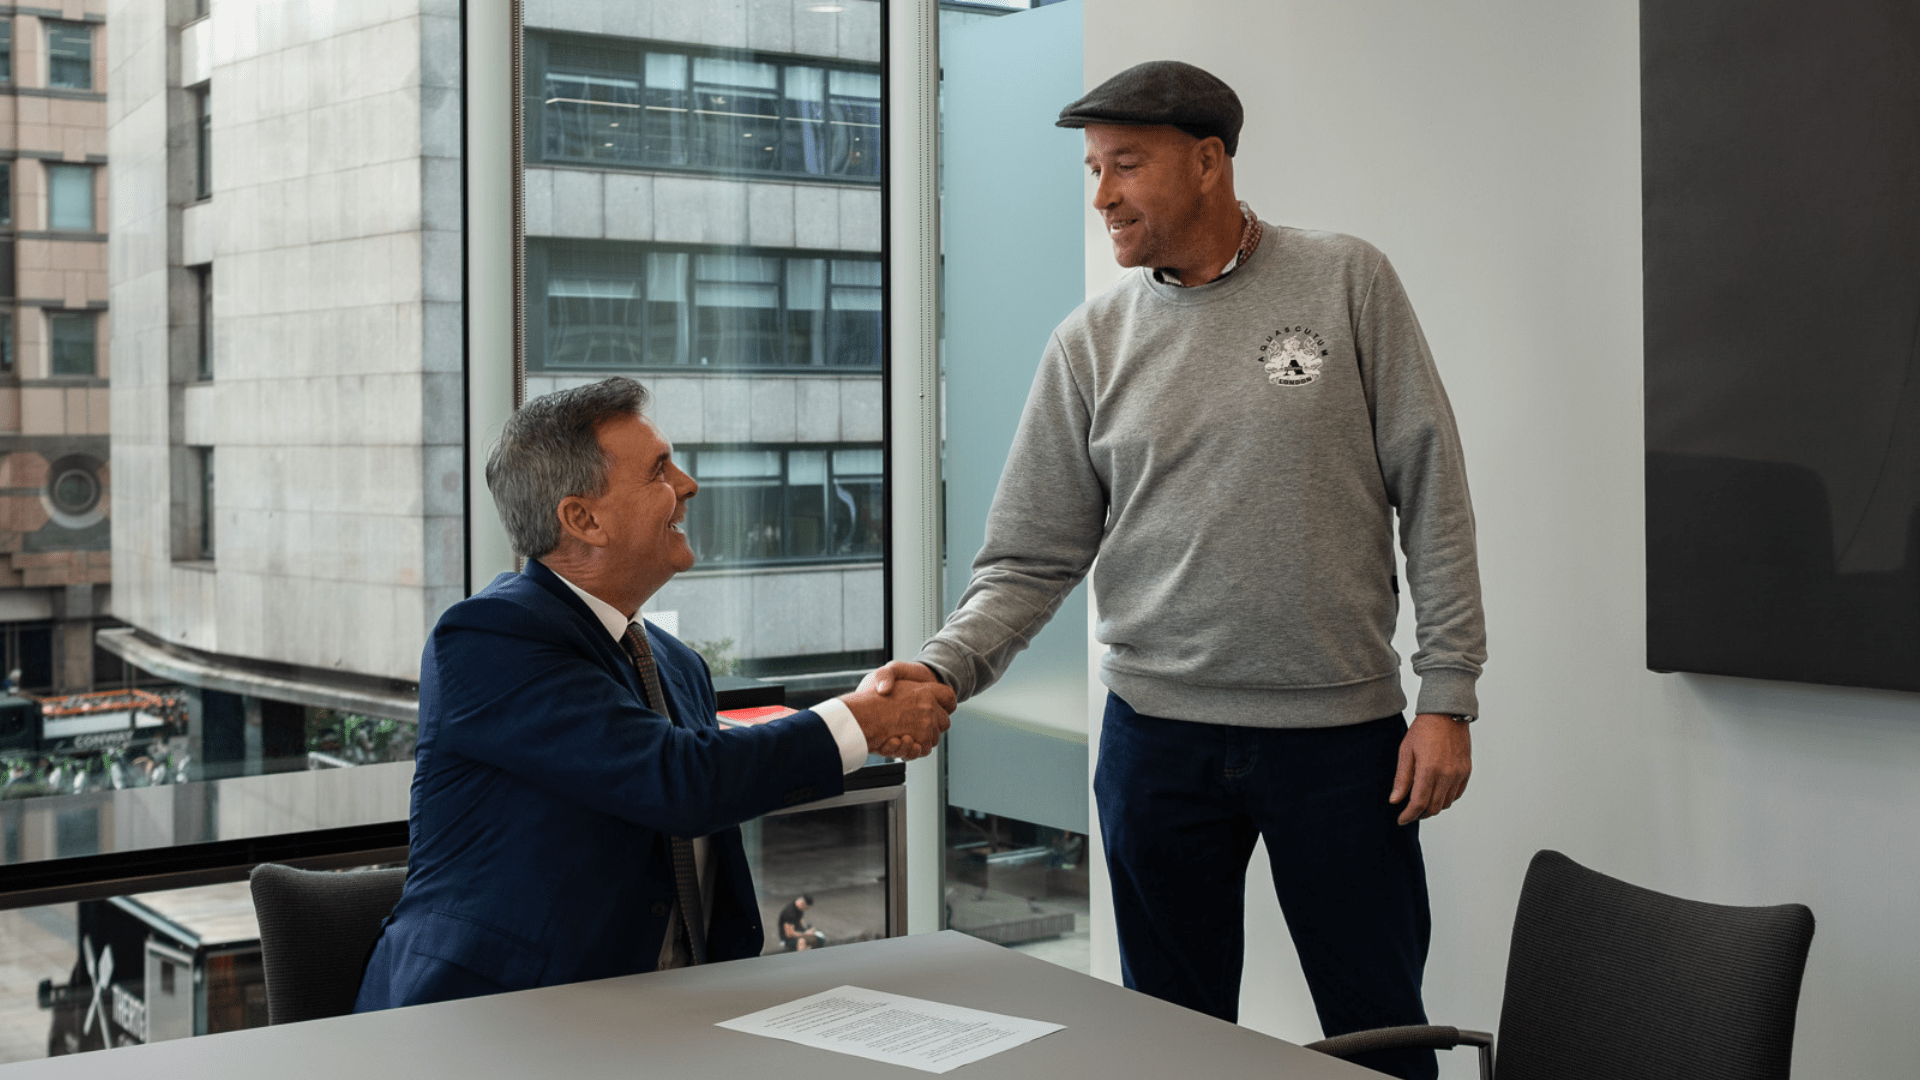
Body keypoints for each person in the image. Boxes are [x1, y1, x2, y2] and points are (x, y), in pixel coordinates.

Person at [870, 61, 1485, 1080]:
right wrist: (944, 668)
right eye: (1092, 169)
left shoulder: (1346, 281)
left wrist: (1448, 692)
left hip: (1338, 742)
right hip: (1158, 748)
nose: (1103, 193)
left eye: (1126, 165)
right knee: (1170, 1043)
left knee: (1378, 1030)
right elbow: (1031, 554)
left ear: (1207, 164)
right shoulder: (1090, 343)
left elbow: (1433, 492)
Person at [355, 377, 953, 1011]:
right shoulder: (488, 638)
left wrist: (863, 713)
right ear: (582, 518)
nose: (688, 486)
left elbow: (709, 779)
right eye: (660, 470)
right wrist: (862, 719)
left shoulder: (675, 664)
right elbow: (681, 782)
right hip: (492, 1024)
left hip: (667, 1014)